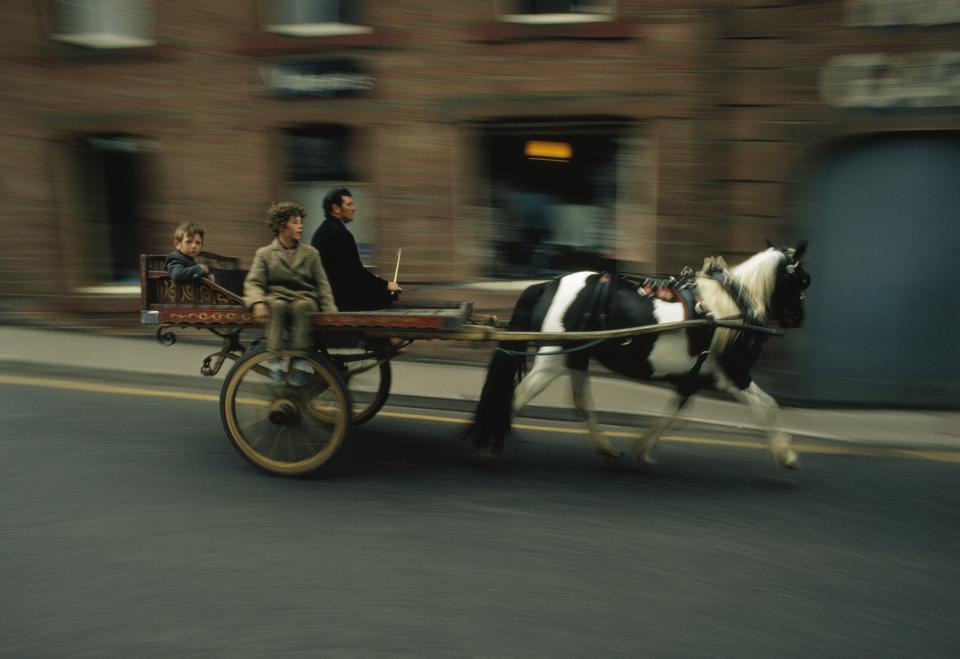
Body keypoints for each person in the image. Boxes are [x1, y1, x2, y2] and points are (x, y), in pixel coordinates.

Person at [243, 202, 338, 376]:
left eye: (301, 222)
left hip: (304, 298)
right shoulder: (264, 254)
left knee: (301, 307)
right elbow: (253, 283)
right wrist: (257, 302)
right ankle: (275, 359)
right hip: (277, 298)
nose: (300, 226)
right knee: (276, 306)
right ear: (281, 226)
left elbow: (322, 285)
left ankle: (300, 360)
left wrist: (330, 311)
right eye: (295, 222)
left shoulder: (311, 253)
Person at [310, 187, 401, 311]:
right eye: (349, 204)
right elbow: (355, 272)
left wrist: (377, 282)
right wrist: (386, 285)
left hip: (327, 293)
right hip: (338, 297)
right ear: (336, 208)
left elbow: (349, 271)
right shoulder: (341, 234)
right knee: (389, 295)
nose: (354, 208)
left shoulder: (323, 230)